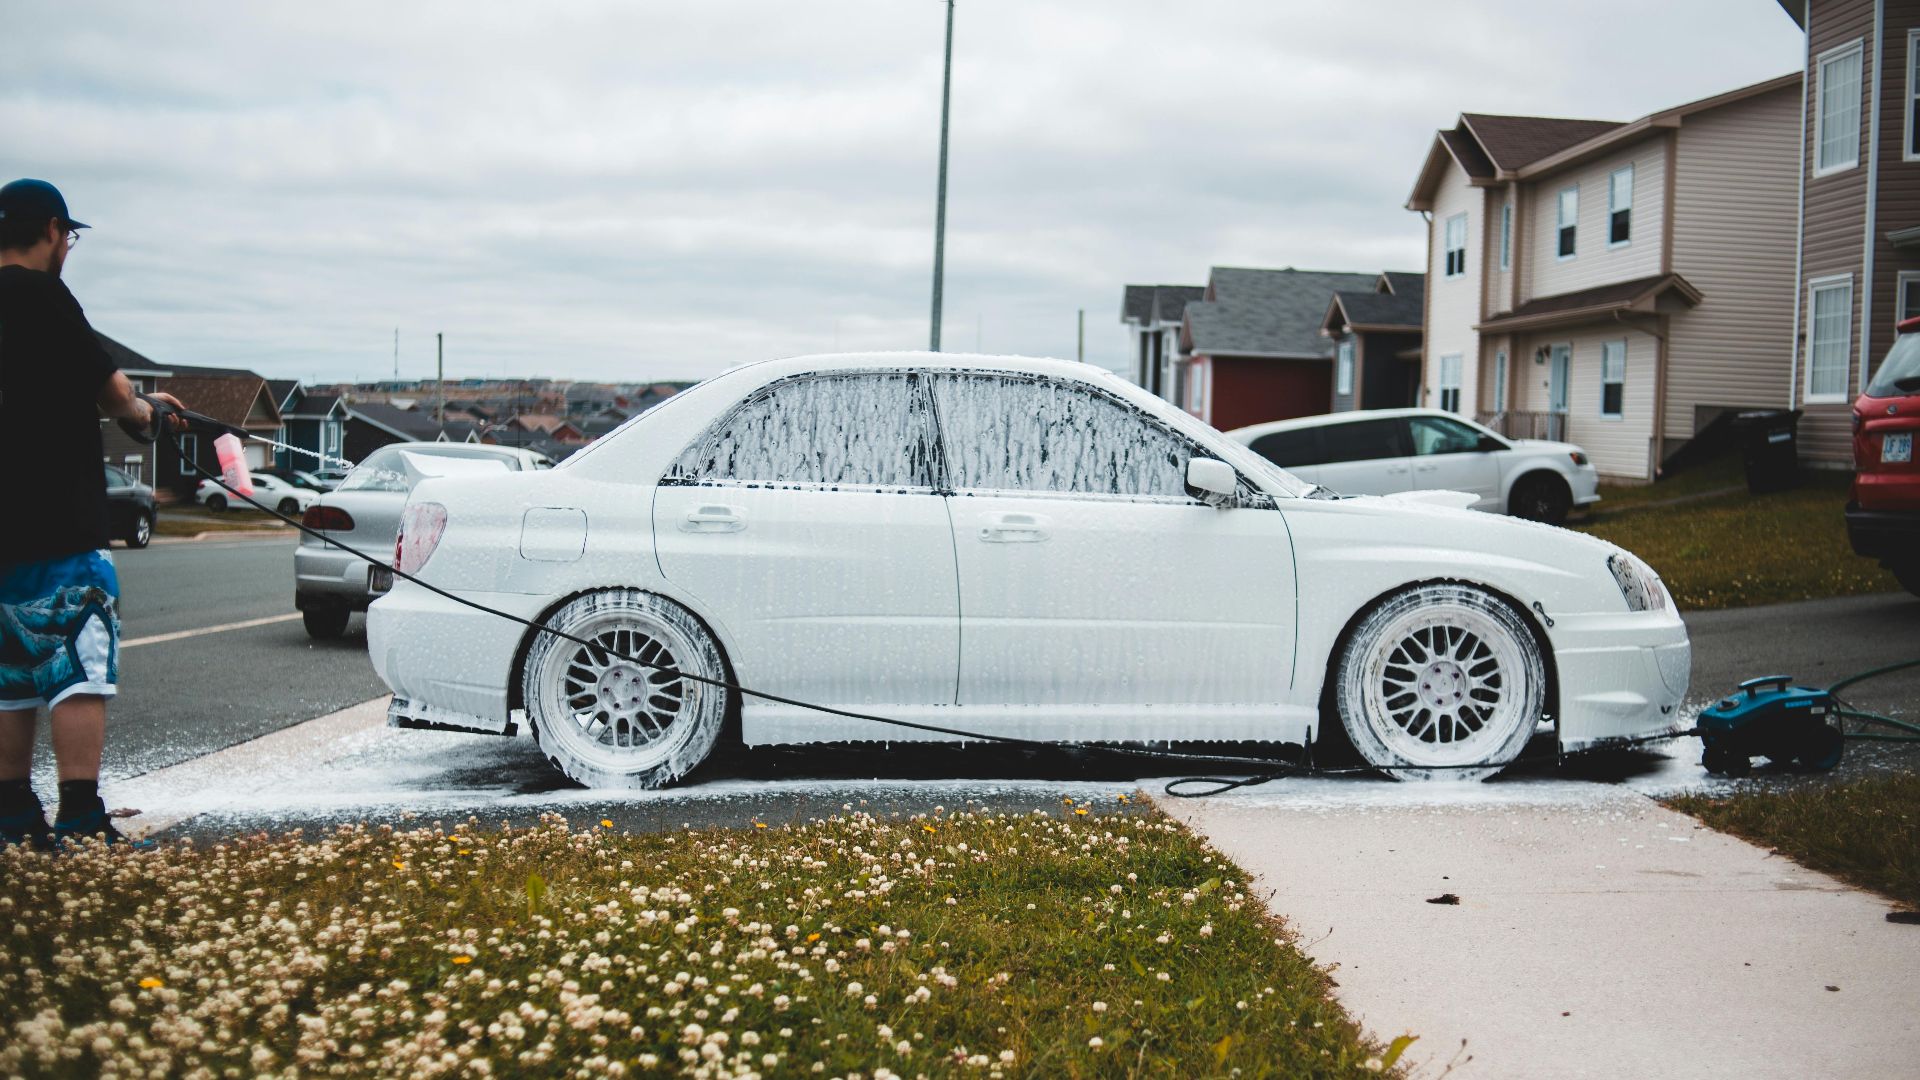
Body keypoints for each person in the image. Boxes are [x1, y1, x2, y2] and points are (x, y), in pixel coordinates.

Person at [0, 178, 183, 848]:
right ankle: (79, 815)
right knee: (77, 670)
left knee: (10, 680)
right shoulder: (46, 297)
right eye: (68, 237)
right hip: (62, 524)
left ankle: (13, 816)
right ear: (51, 230)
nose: (67, 249)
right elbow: (115, 397)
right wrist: (149, 411)